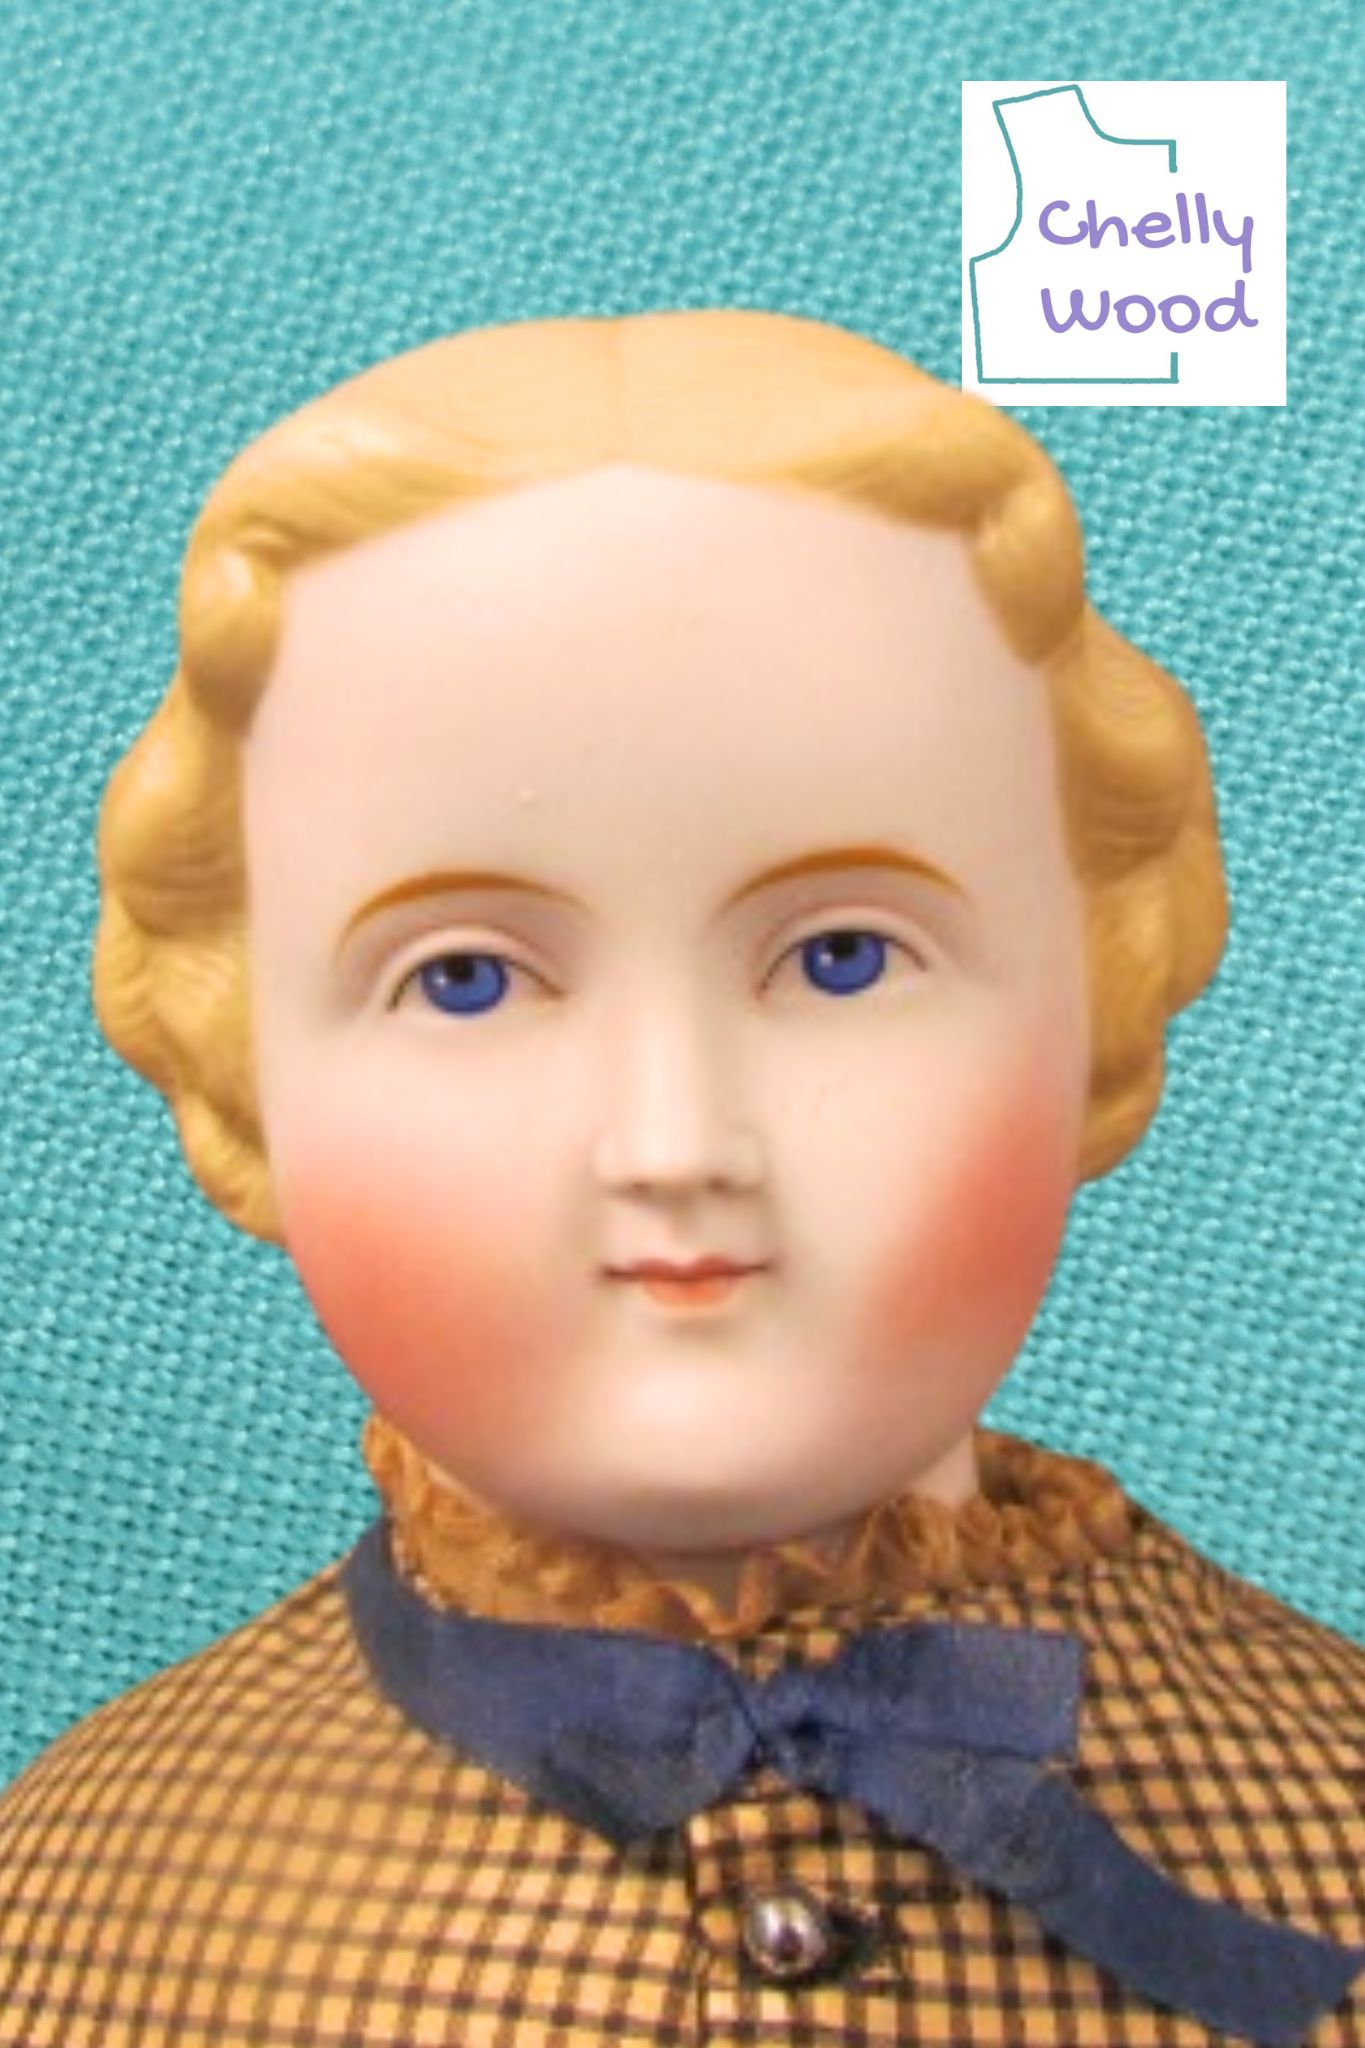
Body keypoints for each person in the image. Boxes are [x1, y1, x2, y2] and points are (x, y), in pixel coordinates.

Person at [0, 309, 1360, 2047]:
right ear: (242, 1067)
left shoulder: (1324, 1809)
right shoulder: (89, 1910)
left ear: (1092, 999)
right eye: (465, 980)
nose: (673, 1142)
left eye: (843, 959)